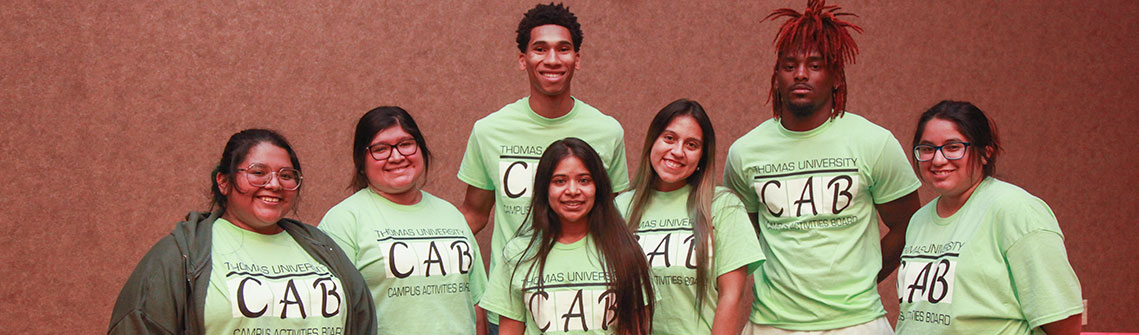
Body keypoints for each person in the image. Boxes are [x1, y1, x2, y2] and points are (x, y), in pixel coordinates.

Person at [722, 0, 922, 333]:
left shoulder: (874, 142)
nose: (801, 73)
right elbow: (741, 239)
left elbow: (909, 225)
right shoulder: (744, 152)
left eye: (815, 65)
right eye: (790, 65)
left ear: (836, 78)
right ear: (776, 78)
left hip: (858, 323)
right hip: (772, 324)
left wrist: (863, 277)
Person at [458, 3, 629, 333]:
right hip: (512, 308)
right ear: (522, 59)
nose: (552, 59)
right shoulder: (490, 131)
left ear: (577, 59)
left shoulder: (608, 132)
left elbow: (616, 215)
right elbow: (474, 214)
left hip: (590, 306)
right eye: (540, 49)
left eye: (563, 49)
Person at [108, 129, 375, 335]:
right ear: (224, 182)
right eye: (258, 172)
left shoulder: (321, 248)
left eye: (286, 175)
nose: (274, 184)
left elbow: (362, 321)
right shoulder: (181, 255)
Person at [896, 101, 1083, 334]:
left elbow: (1064, 322)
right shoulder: (919, 220)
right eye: (927, 148)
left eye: (953, 147)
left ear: (986, 152)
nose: (938, 160)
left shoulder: (1016, 211)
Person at [320, 107, 489, 334]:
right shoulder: (344, 221)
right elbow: (330, 314)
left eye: (406, 144)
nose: (397, 156)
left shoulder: (451, 215)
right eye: (380, 149)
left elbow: (475, 302)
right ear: (361, 161)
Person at [615, 99, 764, 335]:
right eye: (669, 138)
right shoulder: (621, 207)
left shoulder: (723, 206)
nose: (677, 151)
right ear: (652, 141)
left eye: (691, 144)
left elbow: (731, 297)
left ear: (701, 159)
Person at [480, 138, 653, 335]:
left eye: (584, 180)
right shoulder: (517, 254)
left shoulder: (625, 251)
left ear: (598, 187)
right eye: (560, 181)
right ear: (545, 188)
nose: (572, 191)